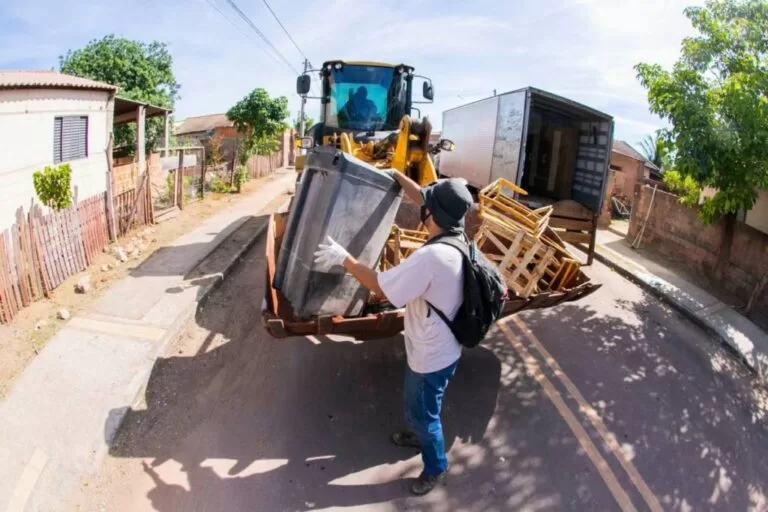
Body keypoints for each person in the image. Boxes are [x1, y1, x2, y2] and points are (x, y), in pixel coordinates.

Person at [313, 171, 474, 496]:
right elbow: (426, 199)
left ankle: (435, 466)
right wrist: (398, 176)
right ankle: (420, 430)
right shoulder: (458, 237)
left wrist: (344, 259)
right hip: (443, 347)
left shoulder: (431, 258)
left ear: (432, 214)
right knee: (422, 403)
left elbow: (381, 286)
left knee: (425, 411)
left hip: (431, 355)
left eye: (426, 205)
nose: (421, 207)